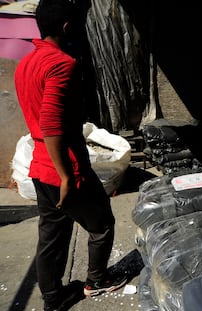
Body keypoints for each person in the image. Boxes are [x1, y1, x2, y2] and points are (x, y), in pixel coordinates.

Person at [14, 0, 127, 309]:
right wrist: (67, 175)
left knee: (52, 236)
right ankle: (97, 281)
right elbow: (51, 123)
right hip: (65, 167)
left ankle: (53, 299)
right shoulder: (62, 63)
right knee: (101, 223)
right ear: (67, 27)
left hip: (40, 166)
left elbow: (40, 121)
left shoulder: (26, 64)